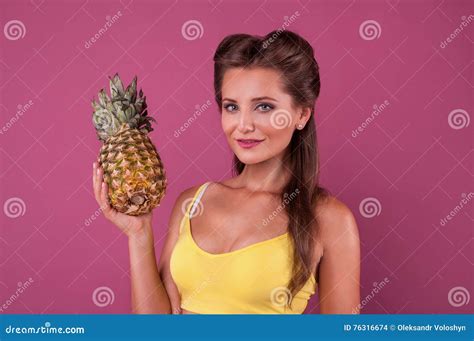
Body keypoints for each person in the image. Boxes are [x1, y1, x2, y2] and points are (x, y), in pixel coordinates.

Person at [92, 30, 360, 314]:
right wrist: (139, 233)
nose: (243, 125)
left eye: (264, 107)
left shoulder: (329, 219)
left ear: (302, 114)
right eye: (231, 107)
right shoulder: (192, 202)